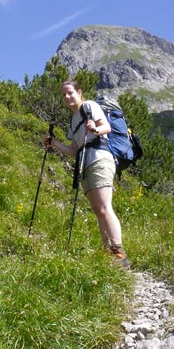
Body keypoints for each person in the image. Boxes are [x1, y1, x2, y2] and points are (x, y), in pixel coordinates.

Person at [46, 80, 130, 267]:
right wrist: (54, 143)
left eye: (70, 93)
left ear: (79, 92)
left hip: (100, 158)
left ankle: (119, 252)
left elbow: (106, 127)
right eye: (64, 95)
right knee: (98, 210)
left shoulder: (90, 106)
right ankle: (108, 251)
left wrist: (95, 129)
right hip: (84, 163)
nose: (67, 97)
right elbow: (74, 150)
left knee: (104, 207)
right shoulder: (73, 119)